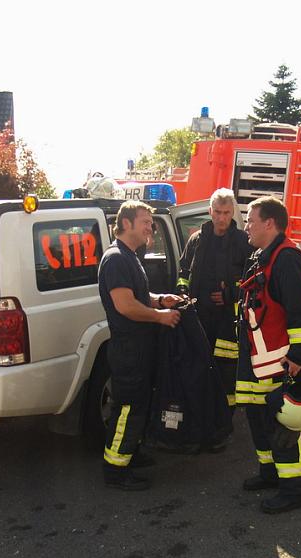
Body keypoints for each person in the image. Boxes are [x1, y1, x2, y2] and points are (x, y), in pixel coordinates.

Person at [237, 196, 301, 514]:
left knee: (285, 426)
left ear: (270, 223)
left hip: (282, 361)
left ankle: (294, 489)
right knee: (258, 416)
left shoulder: (287, 258)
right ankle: (271, 474)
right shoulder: (263, 256)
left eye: (251, 220)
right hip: (261, 359)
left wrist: (297, 357)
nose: (246, 226)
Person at [98, 201, 183, 491]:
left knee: (138, 406)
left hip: (139, 348)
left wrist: (160, 300)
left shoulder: (129, 256)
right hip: (128, 350)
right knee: (127, 409)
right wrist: (159, 317)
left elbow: (140, 295)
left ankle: (129, 454)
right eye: (145, 221)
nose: (150, 227)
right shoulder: (116, 259)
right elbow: (125, 305)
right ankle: (115, 470)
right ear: (127, 224)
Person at [176, 188, 251, 412]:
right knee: (198, 366)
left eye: (226, 213)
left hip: (228, 322)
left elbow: (253, 281)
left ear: (232, 213)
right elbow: (183, 272)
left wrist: (230, 294)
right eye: (217, 212)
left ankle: (224, 420)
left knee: (226, 371)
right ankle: (199, 415)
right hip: (198, 317)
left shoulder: (243, 242)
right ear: (210, 211)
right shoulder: (196, 240)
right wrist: (182, 294)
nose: (221, 218)